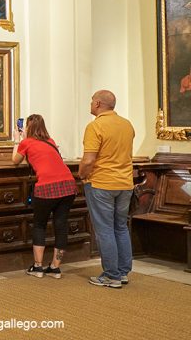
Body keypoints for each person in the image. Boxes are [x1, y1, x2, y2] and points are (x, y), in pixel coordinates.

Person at [79, 89, 136, 289]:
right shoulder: (127, 125)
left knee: (104, 230)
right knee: (121, 227)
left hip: (101, 183)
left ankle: (111, 275)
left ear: (97, 104)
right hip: (125, 183)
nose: (90, 104)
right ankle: (123, 272)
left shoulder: (95, 126)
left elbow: (89, 160)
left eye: (91, 101)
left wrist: (82, 175)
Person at [12, 114, 77, 278]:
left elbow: (15, 160)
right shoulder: (51, 141)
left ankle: (38, 267)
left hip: (47, 187)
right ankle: (55, 268)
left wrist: (17, 140)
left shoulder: (26, 142)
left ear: (28, 127)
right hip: (68, 185)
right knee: (61, 224)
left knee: (40, 224)